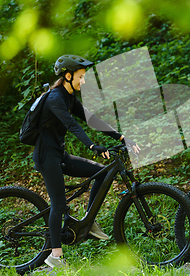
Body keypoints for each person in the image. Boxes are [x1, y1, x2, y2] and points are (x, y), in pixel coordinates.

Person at [32, 55, 140, 269]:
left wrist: (121, 137)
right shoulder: (55, 98)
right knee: (59, 204)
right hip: (46, 157)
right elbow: (73, 125)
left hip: (59, 154)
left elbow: (90, 119)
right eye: (81, 77)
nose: (84, 81)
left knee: (101, 173)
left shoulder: (70, 97)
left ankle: (88, 224)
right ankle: (56, 257)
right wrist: (92, 146)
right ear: (68, 76)